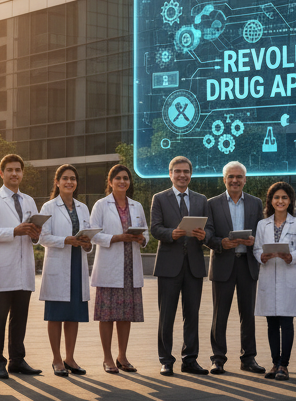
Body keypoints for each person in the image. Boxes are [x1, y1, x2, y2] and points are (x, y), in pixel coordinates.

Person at [0, 153, 43, 379]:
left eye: (18, 170)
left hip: (23, 268)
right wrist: (15, 231)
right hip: (3, 269)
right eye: (10, 170)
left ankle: (17, 360)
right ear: (2, 173)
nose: (14, 173)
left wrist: (35, 234)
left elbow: (34, 234)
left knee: (20, 317)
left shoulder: (28, 200)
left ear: (22, 173)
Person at [204, 160, 265, 375]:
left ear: (245, 180)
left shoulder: (256, 203)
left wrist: (254, 240)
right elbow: (207, 233)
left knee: (247, 314)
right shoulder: (212, 203)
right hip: (223, 263)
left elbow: (262, 231)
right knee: (220, 315)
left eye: (239, 177)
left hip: (247, 265)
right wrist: (221, 243)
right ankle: (218, 359)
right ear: (224, 180)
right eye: (231, 176)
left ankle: (248, 358)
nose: (235, 180)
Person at [150, 155, 208, 375]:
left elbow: (209, 229)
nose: (182, 175)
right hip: (168, 265)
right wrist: (170, 233)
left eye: (186, 172)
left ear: (190, 175)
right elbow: (155, 228)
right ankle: (166, 359)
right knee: (167, 315)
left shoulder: (201, 200)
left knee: (192, 314)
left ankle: (190, 359)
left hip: (193, 265)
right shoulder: (159, 198)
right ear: (170, 174)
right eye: (178, 171)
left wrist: (204, 234)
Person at [90, 164, 149, 374]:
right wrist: (117, 238)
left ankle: (122, 356)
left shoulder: (136, 206)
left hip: (130, 268)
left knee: (125, 315)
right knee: (107, 315)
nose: (122, 181)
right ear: (110, 181)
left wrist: (142, 239)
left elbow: (146, 234)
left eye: (126, 178)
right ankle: (107, 358)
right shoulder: (100, 205)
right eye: (118, 178)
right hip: (109, 267)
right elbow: (93, 234)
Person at [38, 164, 92, 377]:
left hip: (77, 264)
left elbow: (89, 236)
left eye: (73, 178)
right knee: (56, 315)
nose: (69, 182)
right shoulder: (48, 207)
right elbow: (43, 238)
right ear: (57, 182)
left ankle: (70, 358)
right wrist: (65, 240)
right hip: (59, 265)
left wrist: (88, 244)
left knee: (73, 315)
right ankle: (57, 359)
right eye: (65, 178)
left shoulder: (83, 207)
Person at [254, 181, 296, 379]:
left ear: (290, 200)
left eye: (284, 197)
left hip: (288, 277)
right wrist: (261, 256)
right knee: (271, 323)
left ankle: (284, 365)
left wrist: (291, 257)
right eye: (276, 197)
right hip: (269, 276)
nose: (280, 201)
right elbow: (257, 248)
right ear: (270, 200)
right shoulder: (263, 224)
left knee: (287, 323)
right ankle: (274, 363)